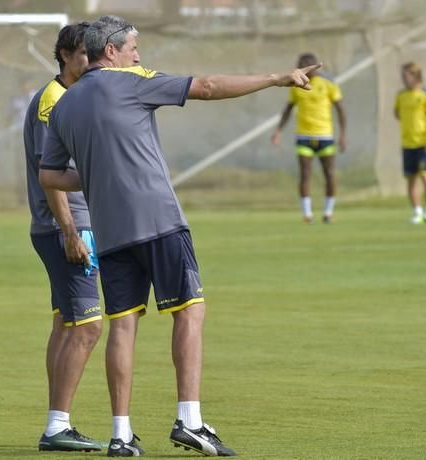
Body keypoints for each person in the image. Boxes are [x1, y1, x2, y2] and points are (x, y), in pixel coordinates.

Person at [39, 15, 320, 457]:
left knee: (123, 326)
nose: (138, 53)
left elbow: (49, 174)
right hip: (158, 219)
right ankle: (190, 420)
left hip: (110, 232)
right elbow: (205, 87)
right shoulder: (130, 81)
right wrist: (275, 78)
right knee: (190, 312)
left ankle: (121, 434)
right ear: (110, 51)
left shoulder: (65, 105)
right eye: (132, 46)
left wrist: (97, 175)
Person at [23, 22, 104, 452]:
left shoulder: (70, 96)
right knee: (89, 327)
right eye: (84, 55)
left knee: (66, 323)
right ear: (65, 56)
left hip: (67, 226)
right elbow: (49, 174)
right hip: (67, 228)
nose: (91, 62)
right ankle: (57, 427)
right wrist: (71, 231)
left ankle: (57, 421)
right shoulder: (53, 101)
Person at [271, 53, 346, 224]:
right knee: (305, 175)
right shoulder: (296, 86)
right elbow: (288, 110)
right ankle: (307, 214)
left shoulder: (329, 84)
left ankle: (328, 212)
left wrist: (343, 135)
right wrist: (278, 130)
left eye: (304, 64)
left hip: (325, 135)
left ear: (313, 66)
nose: (301, 67)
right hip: (304, 136)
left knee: (329, 174)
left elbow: (341, 110)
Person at [394, 62, 426, 224]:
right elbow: (397, 113)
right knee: (411, 178)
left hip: (423, 143)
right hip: (407, 143)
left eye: (406, 75)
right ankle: (417, 212)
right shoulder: (401, 95)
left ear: (415, 75)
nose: (403, 78)